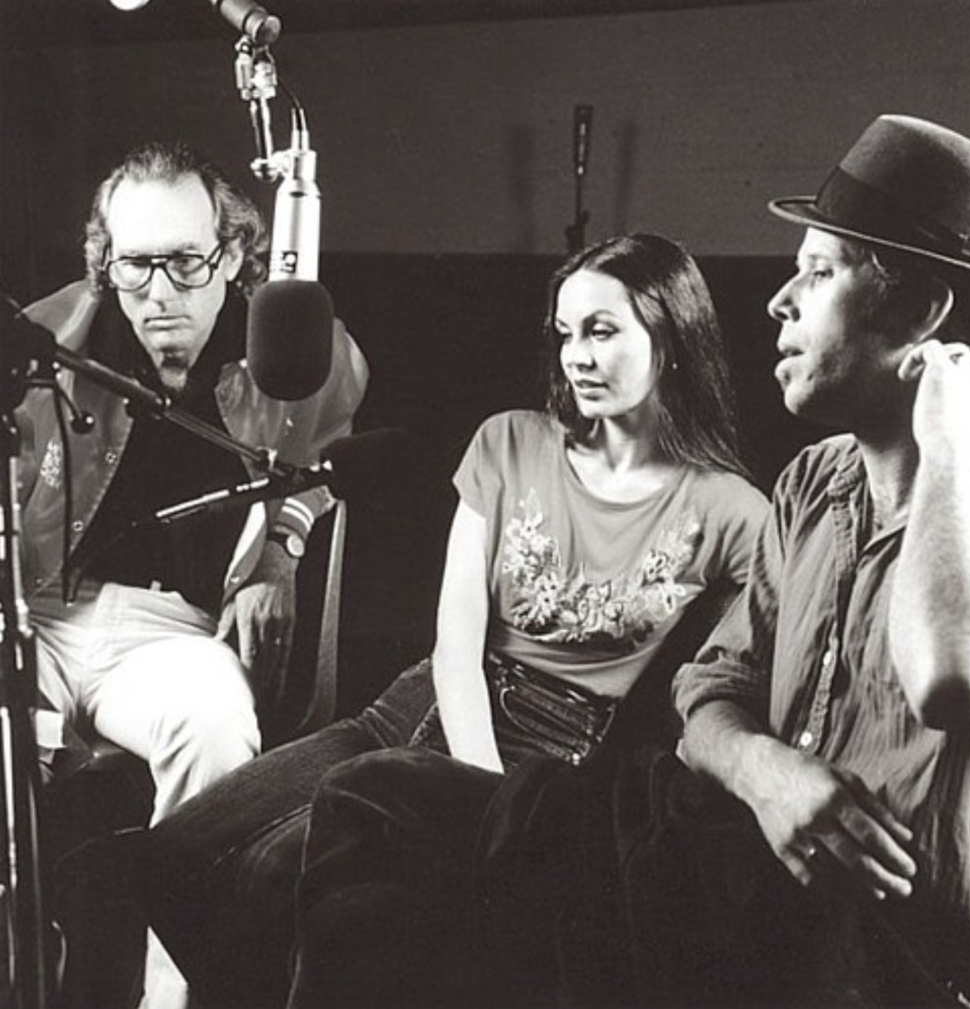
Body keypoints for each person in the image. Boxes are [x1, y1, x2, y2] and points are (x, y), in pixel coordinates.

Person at [457, 114, 970, 1009]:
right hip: (753, 920)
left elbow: (954, 678)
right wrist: (769, 772)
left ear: (920, 312)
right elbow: (706, 691)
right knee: (377, 827)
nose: (778, 300)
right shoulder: (810, 486)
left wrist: (949, 445)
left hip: (907, 971)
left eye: (819, 271)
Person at [145, 232, 769, 1007]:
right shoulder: (508, 440)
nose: (577, 355)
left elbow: (763, 661)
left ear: (671, 337)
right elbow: (456, 643)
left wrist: (494, 810)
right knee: (177, 855)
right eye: (566, 332)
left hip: (552, 753)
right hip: (414, 707)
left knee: (288, 880)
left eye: (602, 331)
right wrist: (472, 788)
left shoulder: (736, 513)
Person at [16, 140, 368, 1006]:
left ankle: (182, 991)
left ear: (235, 254)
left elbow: (322, 468)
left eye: (185, 261)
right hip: (36, 610)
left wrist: (280, 555)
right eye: (136, 266)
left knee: (216, 720)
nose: (161, 292)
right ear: (106, 262)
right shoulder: (45, 338)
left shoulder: (289, 350)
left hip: (166, 631)